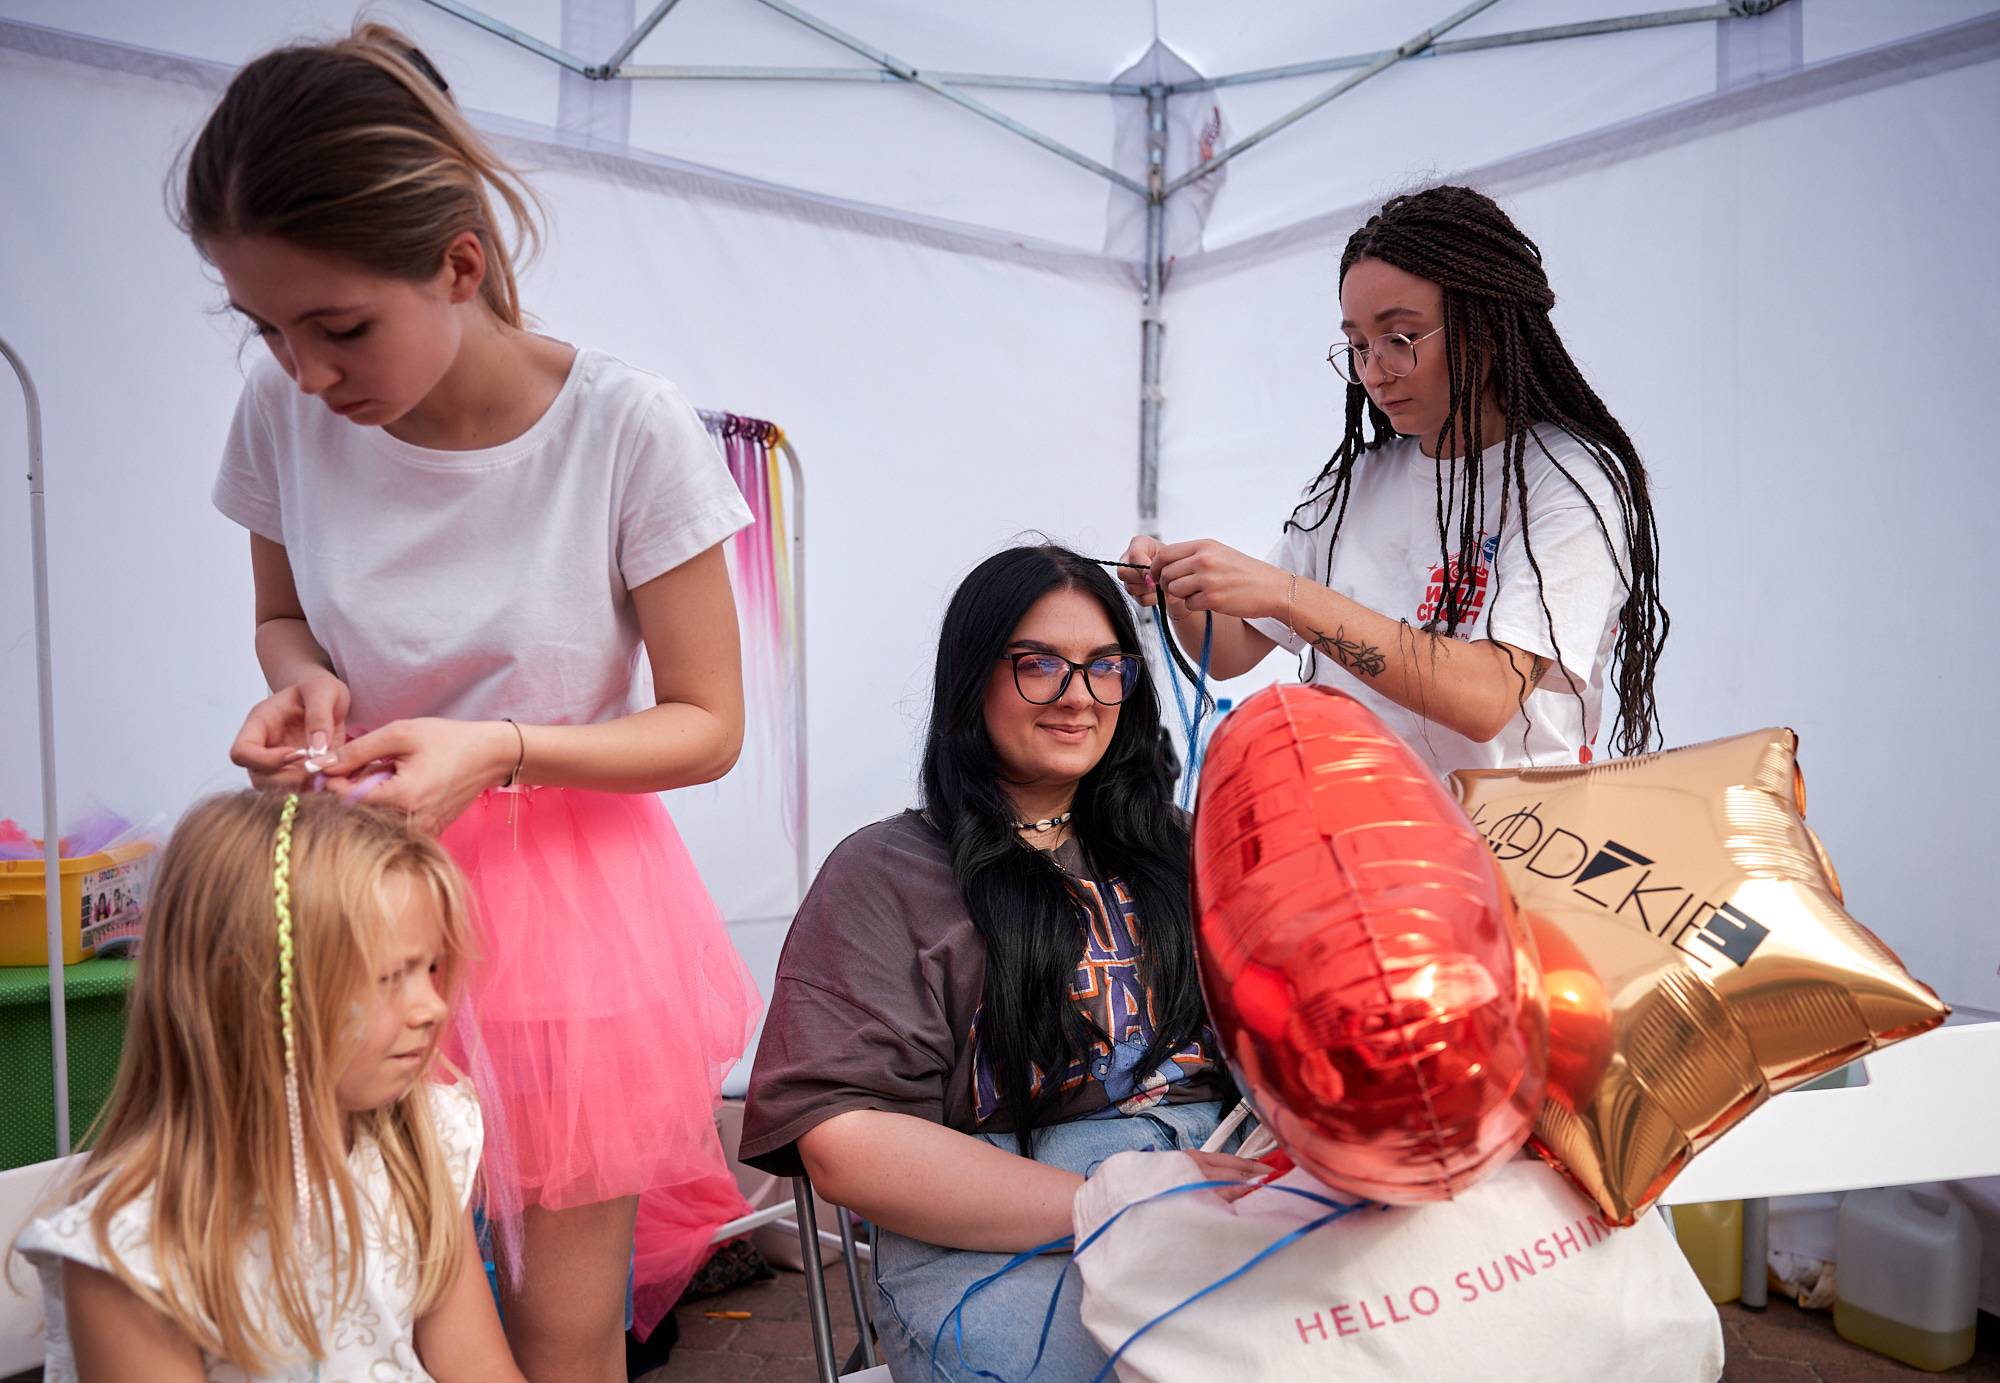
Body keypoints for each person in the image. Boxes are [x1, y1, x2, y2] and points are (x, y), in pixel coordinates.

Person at [178, 27, 761, 1375]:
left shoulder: (623, 427)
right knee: (351, 1289)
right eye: (265, 328)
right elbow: (281, 618)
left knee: (559, 1327)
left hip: (572, 914)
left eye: (340, 328)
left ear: (458, 263)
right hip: (345, 899)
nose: (306, 373)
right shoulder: (282, 406)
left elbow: (707, 723)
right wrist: (303, 684)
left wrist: (495, 750)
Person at [740, 545, 1264, 1382]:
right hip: (1005, 1225)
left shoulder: (1180, 842)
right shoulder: (886, 870)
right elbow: (845, 1138)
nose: (1079, 695)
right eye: (1039, 664)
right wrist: (1116, 1199)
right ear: (971, 680)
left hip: (1223, 1183)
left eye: (1105, 666)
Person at [1123, 184, 1668, 777]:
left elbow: (1486, 698)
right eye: (1358, 346)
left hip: (1510, 829)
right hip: (1351, 824)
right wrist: (1180, 588)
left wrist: (1289, 594)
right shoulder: (1356, 484)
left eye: (1399, 339)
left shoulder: (1568, 480)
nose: (1374, 372)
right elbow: (1230, 652)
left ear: (1484, 327)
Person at [14, 791, 523, 1382]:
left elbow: (478, 1366)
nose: (432, 1007)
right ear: (252, 993)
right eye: (390, 978)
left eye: (431, 968)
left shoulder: (421, 1145)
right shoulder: (138, 1254)